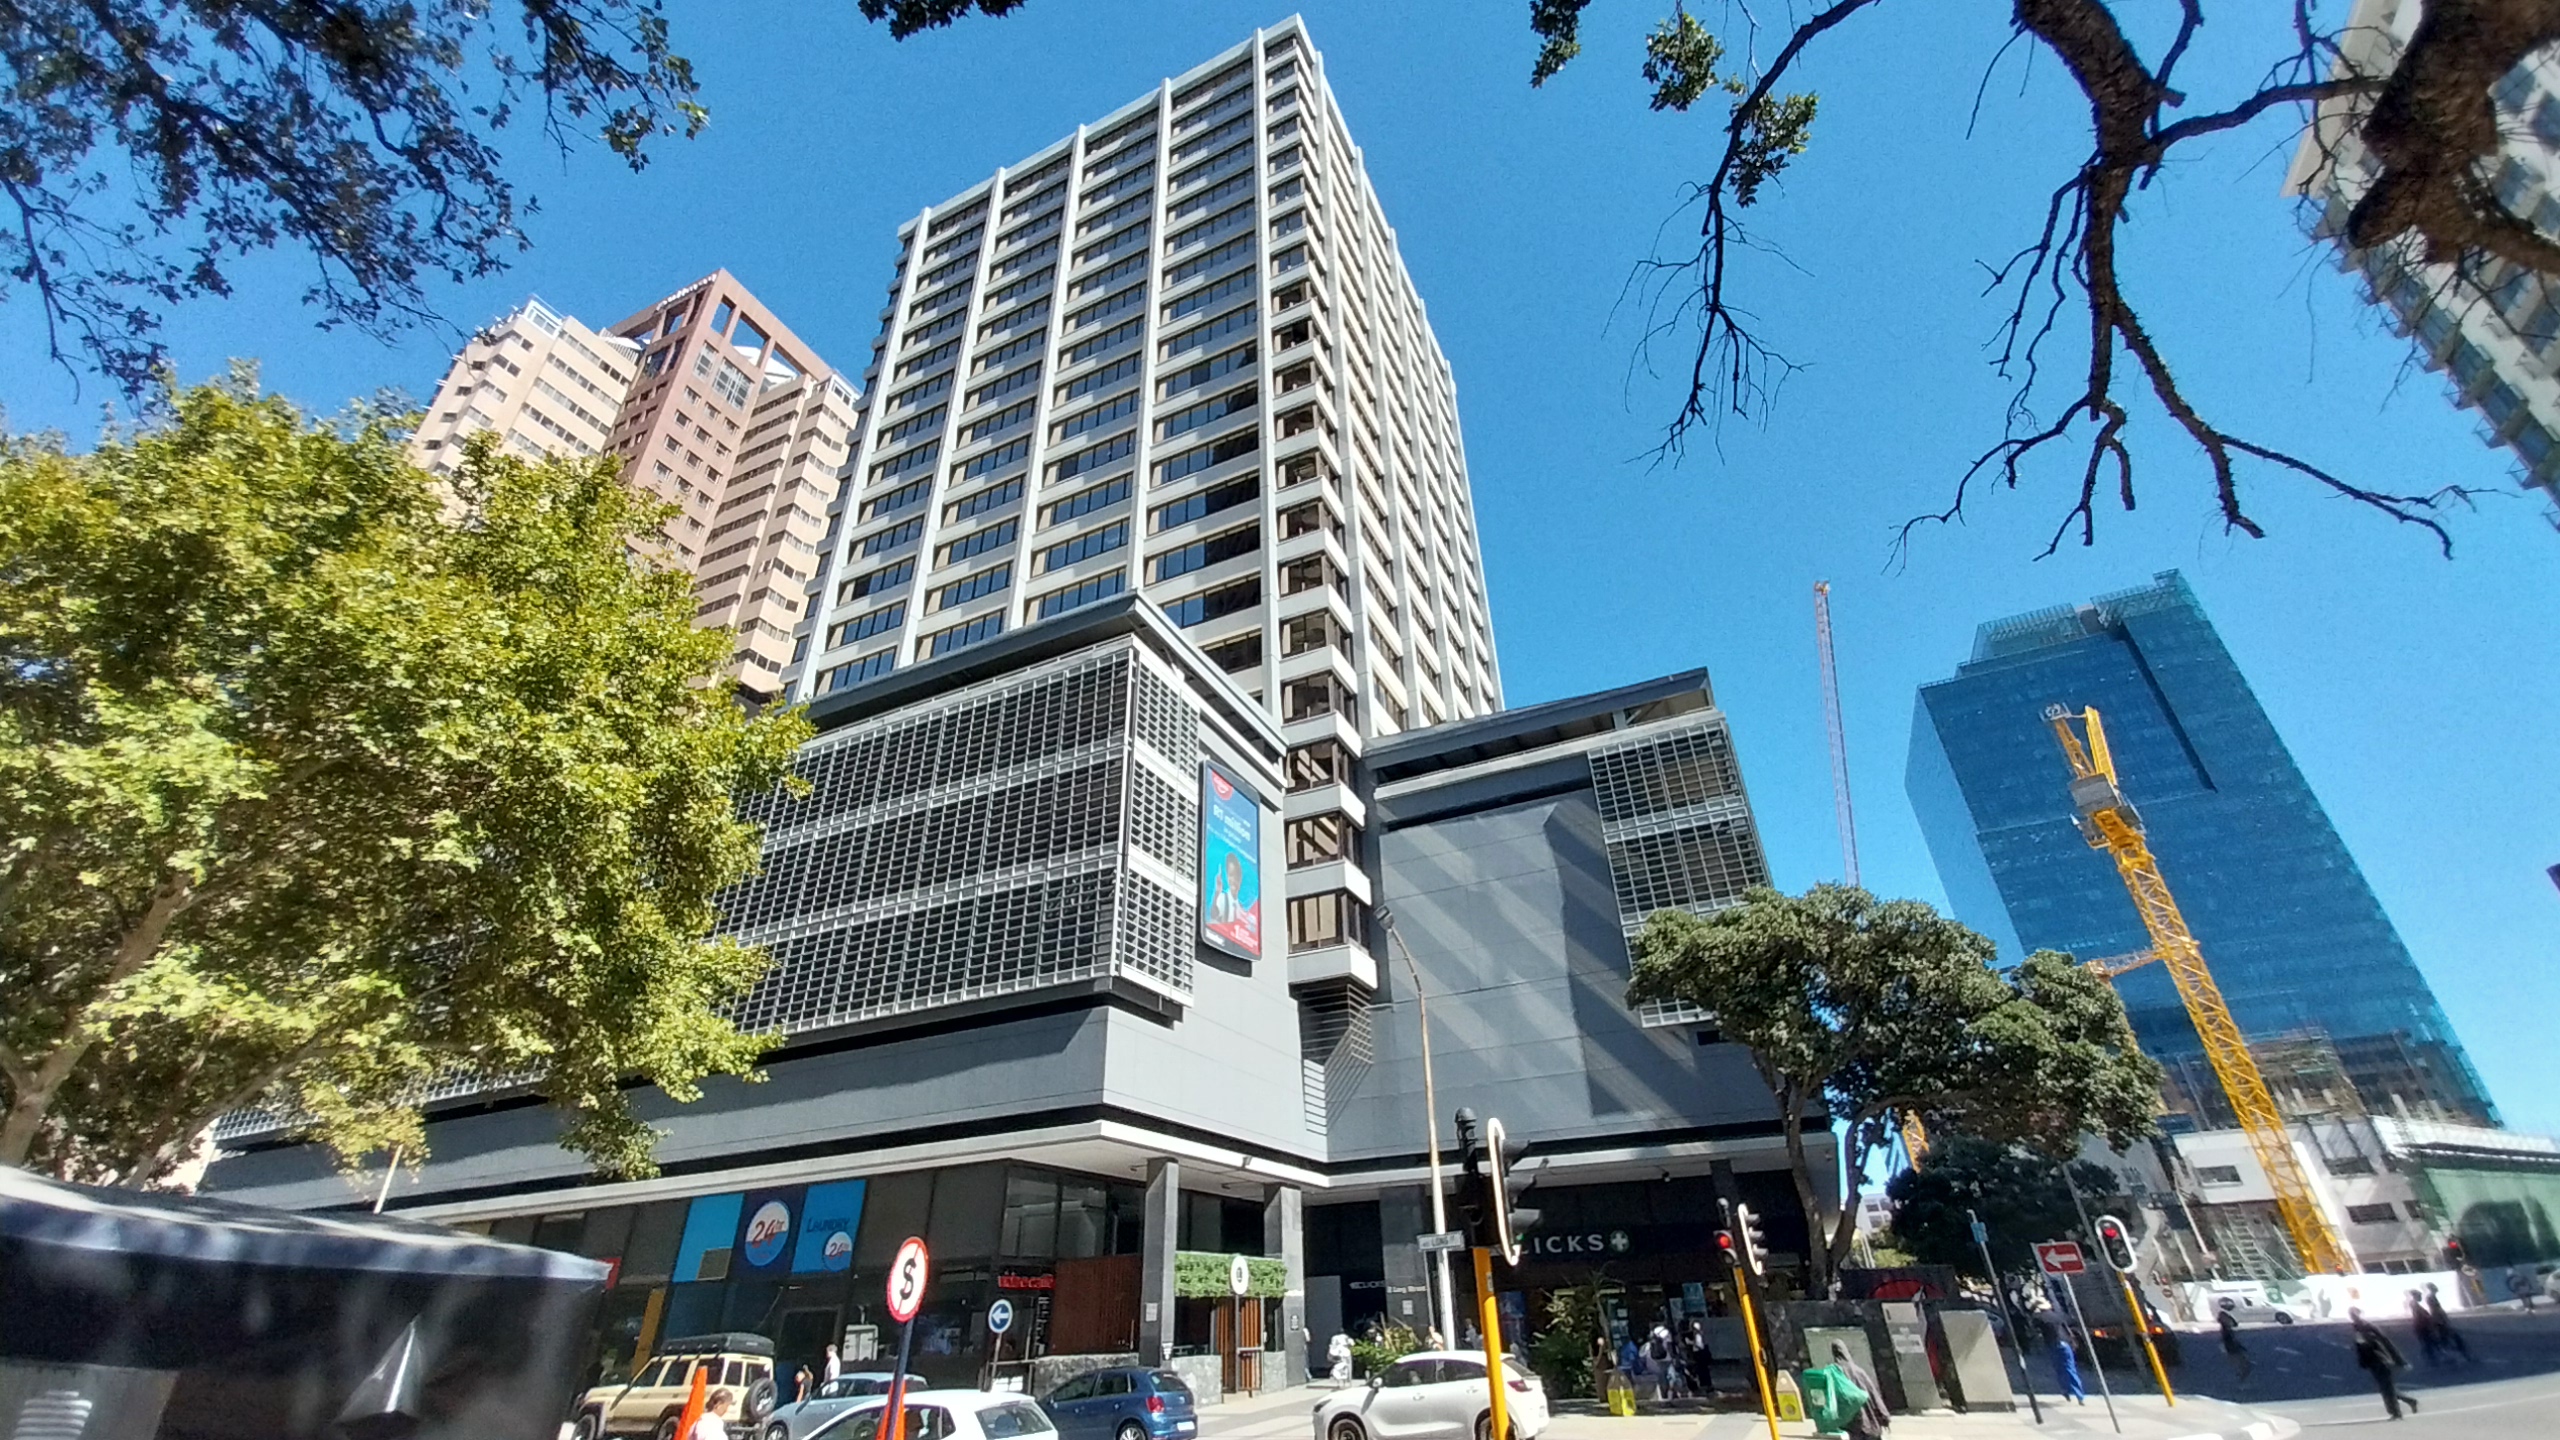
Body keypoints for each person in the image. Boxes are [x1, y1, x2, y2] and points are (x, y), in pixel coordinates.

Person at [2349, 1309, 2419, 1420]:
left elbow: (2385, 1342)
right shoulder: (2356, 1328)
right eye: (2351, 1315)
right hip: (2371, 1362)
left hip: (2381, 1360)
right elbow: (2360, 1347)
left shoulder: (2368, 1327)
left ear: (2359, 1314)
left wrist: (2399, 1360)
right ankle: (2409, 1401)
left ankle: (2396, 1413)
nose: (2353, 1317)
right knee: (2386, 1387)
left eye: (2354, 1314)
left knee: (2387, 1388)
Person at [2034, 1298, 2085, 1405]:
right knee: (2070, 1368)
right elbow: (2067, 1328)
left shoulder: (2039, 1318)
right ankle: (2079, 1395)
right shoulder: (2057, 1316)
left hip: (2053, 1344)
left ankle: (2065, 1391)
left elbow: (2036, 1332)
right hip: (2065, 1343)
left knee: (2059, 1369)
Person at [2425, 1283, 2473, 1362]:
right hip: (2440, 1321)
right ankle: (2463, 1356)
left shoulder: (2431, 1297)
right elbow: (2435, 1310)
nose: (2436, 1288)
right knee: (2452, 1339)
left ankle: (2453, 1355)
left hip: (2440, 1321)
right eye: (2434, 1287)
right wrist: (2442, 1320)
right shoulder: (2430, 1298)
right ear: (2430, 1288)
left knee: (2447, 1339)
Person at [2216, 1298, 2253, 1383]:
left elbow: (2234, 1325)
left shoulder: (2226, 1329)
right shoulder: (2226, 1330)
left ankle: (2242, 1378)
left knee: (2243, 1364)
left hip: (2233, 1348)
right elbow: (2232, 1328)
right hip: (2232, 1349)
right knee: (2243, 1364)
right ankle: (2241, 1379)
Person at [1682, 1318, 1717, 1398]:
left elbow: (1700, 1346)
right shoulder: (1698, 1335)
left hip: (1700, 1355)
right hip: (1699, 1355)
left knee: (1702, 1371)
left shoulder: (1698, 1336)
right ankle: (1705, 1386)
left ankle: (1706, 1387)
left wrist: (1690, 1342)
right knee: (1701, 1371)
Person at [2405, 1290, 2442, 1364]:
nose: (2421, 1297)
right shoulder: (2415, 1304)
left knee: (2428, 1343)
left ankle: (2431, 1358)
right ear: (2415, 1296)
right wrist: (2429, 1319)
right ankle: (2431, 1359)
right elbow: (2421, 1316)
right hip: (2421, 1327)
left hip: (2421, 1326)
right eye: (2419, 1296)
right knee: (2428, 1342)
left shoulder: (2414, 1304)